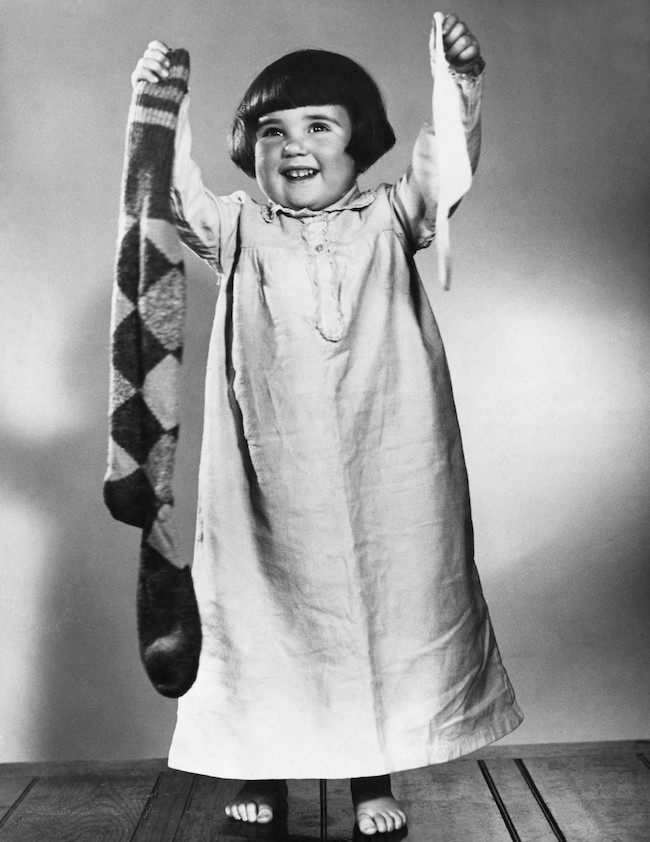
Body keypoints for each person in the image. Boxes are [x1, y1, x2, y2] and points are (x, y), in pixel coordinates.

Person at [130, 11, 522, 836]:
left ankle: (371, 780)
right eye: (272, 131)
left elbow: (445, 170)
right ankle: (262, 776)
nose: (294, 145)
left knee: (380, 610)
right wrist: (160, 107)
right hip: (267, 475)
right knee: (259, 612)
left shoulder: (391, 217)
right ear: (251, 150)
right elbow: (170, 195)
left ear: (358, 141)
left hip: (388, 463)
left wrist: (459, 84)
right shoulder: (239, 229)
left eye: (319, 125)